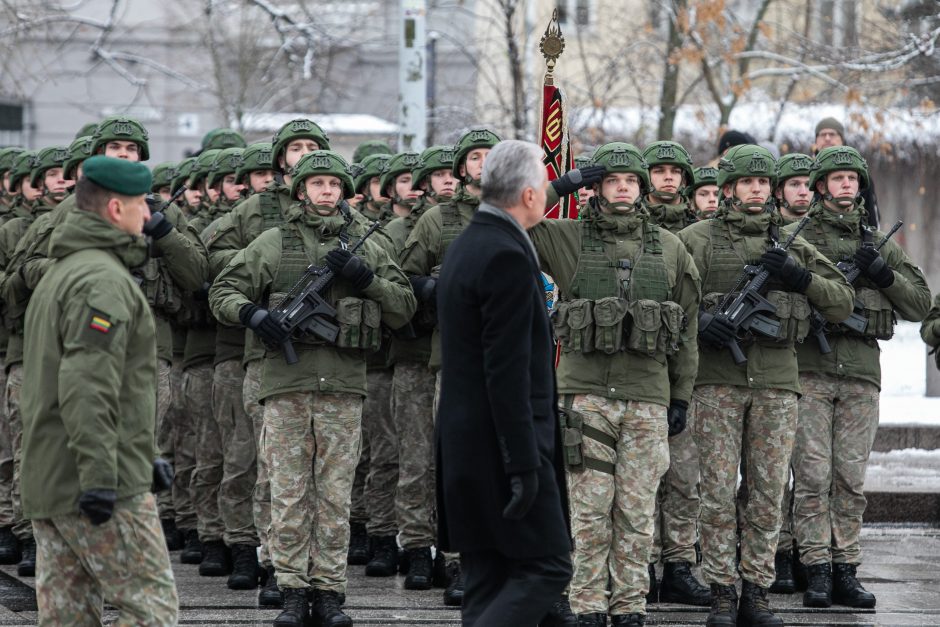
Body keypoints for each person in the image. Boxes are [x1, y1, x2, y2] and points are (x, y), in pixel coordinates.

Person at [209, 149, 416, 627]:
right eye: (317, 184)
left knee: (335, 495)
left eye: (334, 184)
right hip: (286, 385)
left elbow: (403, 306)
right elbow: (224, 290)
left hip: (344, 386)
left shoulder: (368, 242)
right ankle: (291, 590)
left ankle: (329, 592)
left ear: (345, 191)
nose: (327, 192)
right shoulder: (274, 241)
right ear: (301, 190)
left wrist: (365, 279)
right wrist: (255, 316)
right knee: (287, 492)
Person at [677, 144, 854, 627]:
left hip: (777, 385)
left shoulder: (792, 245)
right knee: (715, 494)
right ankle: (721, 593)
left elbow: (841, 301)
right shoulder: (695, 239)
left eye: (763, 183)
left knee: (767, 492)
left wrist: (799, 277)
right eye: (746, 183)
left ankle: (756, 591)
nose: (756, 190)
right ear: (729, 189)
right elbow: (668, 303)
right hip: (715, 384)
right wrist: (700, 326)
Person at [529, 142, 701, 626]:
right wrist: (561, 184)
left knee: (636, 512)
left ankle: (629, 607)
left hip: (648, 398)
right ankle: (586, 606)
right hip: (585, 396)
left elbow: (686, 329)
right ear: (598, 189)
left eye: (630, 181)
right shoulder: (568, 238)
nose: (622, 188)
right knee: (588, 512)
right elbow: (508, 219)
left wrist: (682, 395)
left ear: (642, 189)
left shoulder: (670, 248)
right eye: (612, 181)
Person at [20, 155, 179, 624]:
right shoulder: (101, 281)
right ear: (114, 209)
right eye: (139, 204)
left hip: (54, 477)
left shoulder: (63, 273)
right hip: (94, 482)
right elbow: (87, 386)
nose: (148, 216)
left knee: (69, 617)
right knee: (152, 610)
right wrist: (101, 476)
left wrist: (140, 454)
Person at [437, 139, 572, 627]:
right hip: (503, 452)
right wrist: (524, 463)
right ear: (531, 195)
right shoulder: (507, 256)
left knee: (488, 579)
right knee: (547, 566)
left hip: (468, 446)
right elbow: (508, 372)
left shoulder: (470, 242)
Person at [789, 146, 929, 610]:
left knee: (849, 479)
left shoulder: (877, 242)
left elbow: (920, 305)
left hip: (860, 376)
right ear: (821, 186)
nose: (846, 185)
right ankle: (816, 570)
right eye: (837, 178)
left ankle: (846, 567)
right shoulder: (797, 238)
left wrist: (883, 275)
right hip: (808, 371)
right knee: (811, 478)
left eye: (853, 178)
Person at [812, 117, 880, 228]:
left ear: (842, 139)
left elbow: (872, 218)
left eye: (832, 134)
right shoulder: (805, 173)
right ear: (816, 140)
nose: (827, 138)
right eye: (822, 135)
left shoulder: (859, 174)